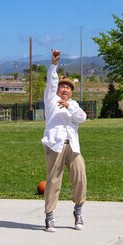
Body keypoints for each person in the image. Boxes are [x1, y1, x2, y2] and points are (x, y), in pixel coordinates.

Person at [41, 49, 87, 232]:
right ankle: (50, 216)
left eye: (68, 87)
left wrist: (70, 107)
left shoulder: (74, 105)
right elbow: (52, 80)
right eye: (62, 86)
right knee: (53, 181)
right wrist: (54, 63)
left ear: (71, 92)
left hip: (73, 147)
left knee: (80, 177)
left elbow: (82, 118)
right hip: (55, 145)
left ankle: (78, 212)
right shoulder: (51, 100)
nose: (65, 89)